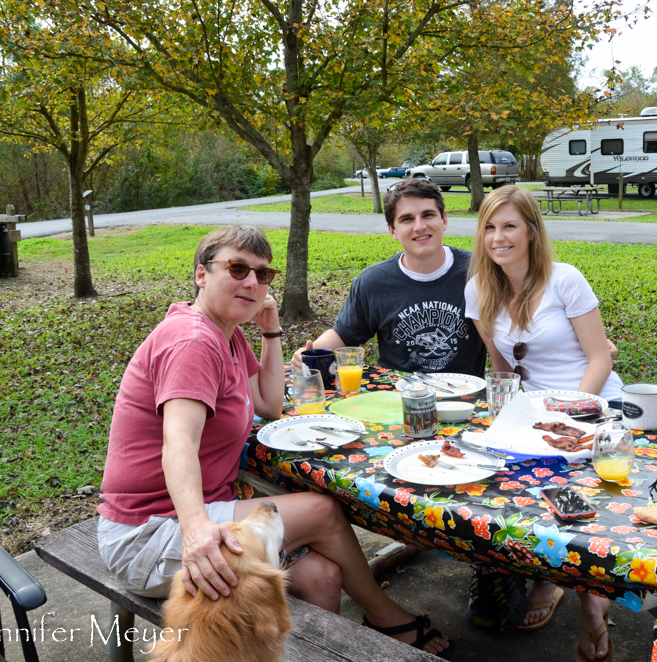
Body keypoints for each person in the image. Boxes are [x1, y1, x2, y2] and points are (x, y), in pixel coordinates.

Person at [97, 226, 452, 657]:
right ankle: (386, 617)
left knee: (322, 576)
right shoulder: (192, 340)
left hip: (201, 510)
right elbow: (178, 443)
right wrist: (195, 534)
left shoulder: (224, 333)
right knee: (321, 511)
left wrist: (270, 330)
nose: (252, 282)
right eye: (237, 268)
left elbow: (268, 403)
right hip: (148, 534)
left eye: (263, 274)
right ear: (201, 275)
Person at [464, 186, 622, 661]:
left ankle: (592, 602)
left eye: (509, 225)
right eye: (490, 227)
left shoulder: (565, 280)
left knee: (582, 508)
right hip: (530, 416)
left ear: (532, 230)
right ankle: (549, 578)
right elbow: (502, 369)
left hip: (589, 408)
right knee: (507, 494)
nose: (498, 237)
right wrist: (511, 421)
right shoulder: (478, 289)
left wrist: (564, 416)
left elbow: (599, 358)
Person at [291, 177, 486, 378]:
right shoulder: (373, 282)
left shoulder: (481, 270)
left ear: (444, 220)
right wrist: (309, 353)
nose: (419, 226)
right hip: (396, 399)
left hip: (466, 398)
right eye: (407, 219)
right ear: (392, 230)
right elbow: (344, 334)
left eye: (428, 215)